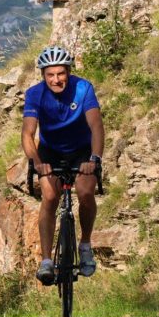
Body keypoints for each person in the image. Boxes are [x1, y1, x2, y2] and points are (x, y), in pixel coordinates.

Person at [21, 45, 105, 286]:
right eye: (50, 74)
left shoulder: (83, 88)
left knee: (86, 191)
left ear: (68, 72)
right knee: (49, 196)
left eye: (61, 74)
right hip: (50, 151)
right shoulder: (35, 94)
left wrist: (94, 160)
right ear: (43, 75)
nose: (56, 79)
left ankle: (85, 245)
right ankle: (46, 260)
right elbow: (28, 134)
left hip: (81, 150)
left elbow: (96, 127)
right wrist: (37, 163)